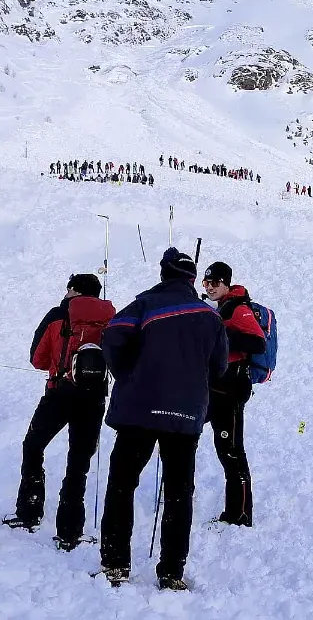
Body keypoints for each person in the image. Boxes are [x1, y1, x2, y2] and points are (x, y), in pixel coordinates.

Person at [96, 248, 228, 591]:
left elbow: (111, 336)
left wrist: (126, 374)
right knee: (179, 493)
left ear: (163, 274)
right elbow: (219, 368)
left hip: (138, 410)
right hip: (185, 415)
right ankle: (171, 571)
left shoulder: (144, 305)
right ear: (190, 279)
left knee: (123, 485)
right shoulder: (211, 317)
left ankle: (115, 564)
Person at [3, 274, 116, 549]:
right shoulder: (111, 317)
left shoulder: (58, 314)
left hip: (60, 392)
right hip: (94, 398)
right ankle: (70, 531)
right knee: (79, 462)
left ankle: (29, 511)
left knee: (33, 446)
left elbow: (37, 358)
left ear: (73, 290)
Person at [201, 262, 266, 527]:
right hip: (215, 389)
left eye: (215, 282)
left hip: (231, 392)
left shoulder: (239, 308)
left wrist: (223, 333)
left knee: (231, 451)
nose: (210, 287)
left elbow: (257, 342)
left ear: (226, 283)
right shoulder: (221, 308)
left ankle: (240, 514)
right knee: (211, 444)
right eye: (206, 283)